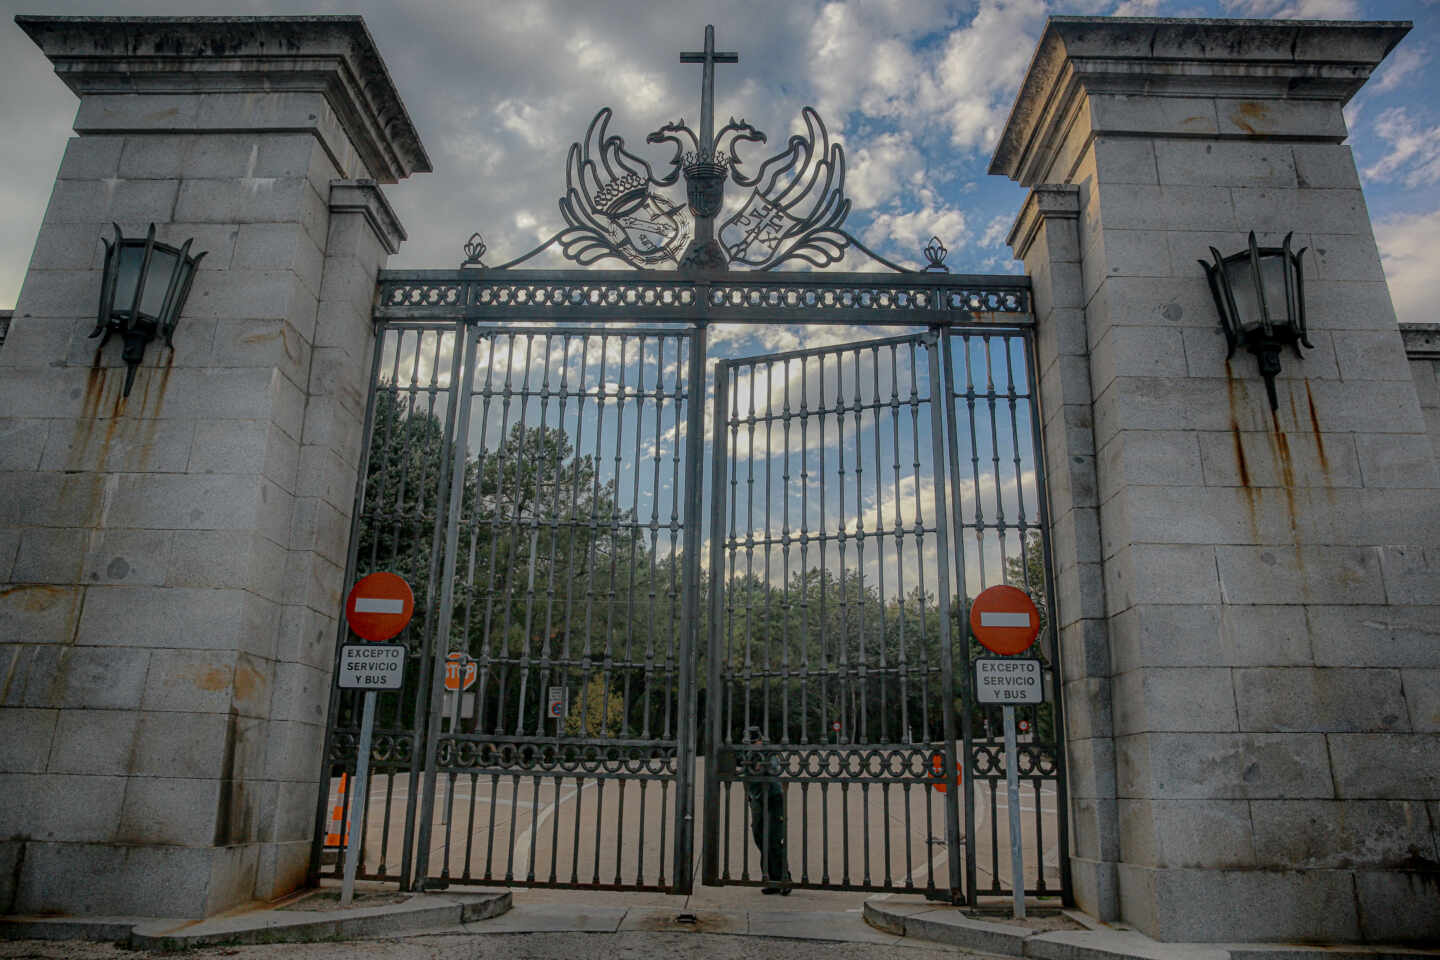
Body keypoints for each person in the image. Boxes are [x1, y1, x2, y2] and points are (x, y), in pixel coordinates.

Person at [742, 726, 791, 894]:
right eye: (751, 741)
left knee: (774, 840)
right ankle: (771, 879)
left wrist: (758, 767)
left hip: (773, 797)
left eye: (756, 741)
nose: (755, 744)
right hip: (756, 799)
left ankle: (784, 879)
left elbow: (773, 769)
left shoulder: (769, 752)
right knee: (760, 838)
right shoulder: (746, 753)